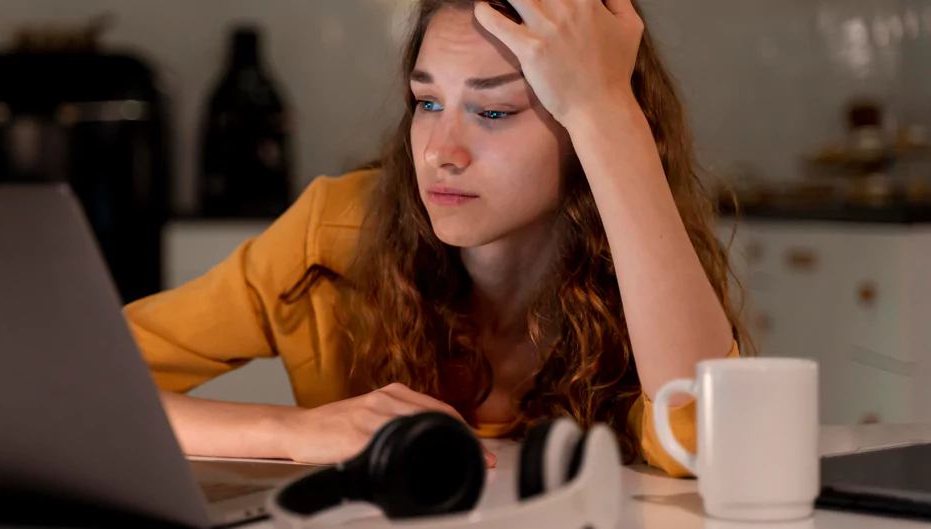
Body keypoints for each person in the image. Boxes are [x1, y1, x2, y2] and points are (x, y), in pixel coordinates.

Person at [125, 0, 748, 478]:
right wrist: (292, 433)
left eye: (494, 111)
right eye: (427, 103)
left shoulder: (642, 258)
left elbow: (714, 447)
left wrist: (608, 107)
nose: (440, 154)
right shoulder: (335, 232)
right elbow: (75, 388)